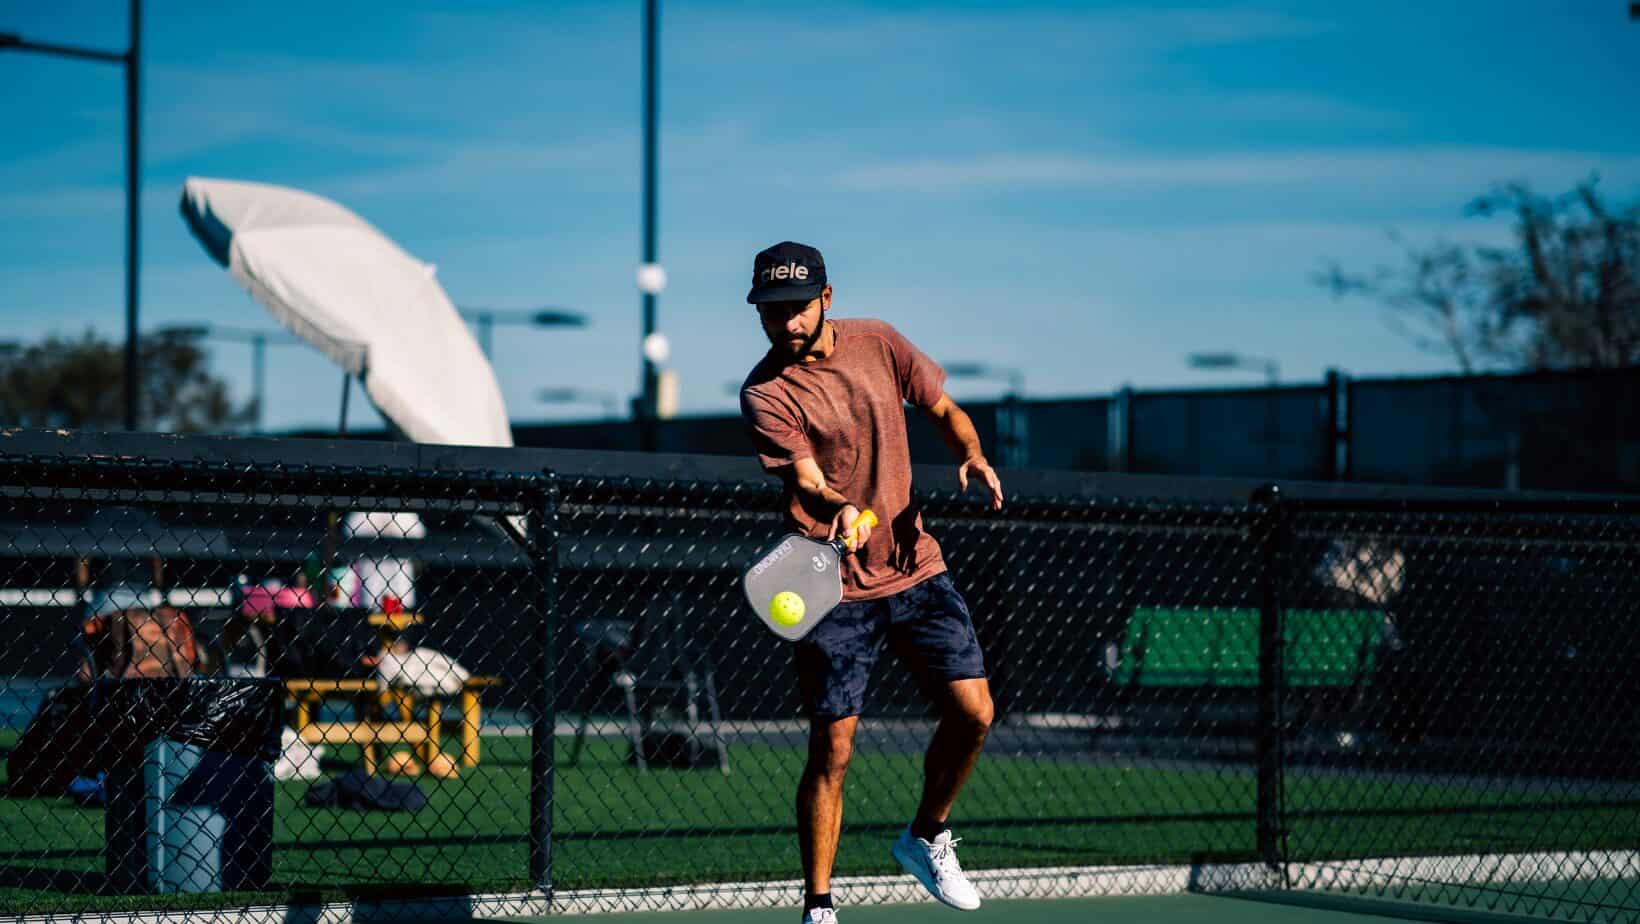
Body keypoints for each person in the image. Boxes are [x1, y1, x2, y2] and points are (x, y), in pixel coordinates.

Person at [738, 242, 1005, 923]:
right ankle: (820, 906)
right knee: (833, 745)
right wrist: (841, 509)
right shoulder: (765, 392)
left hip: (917, 568)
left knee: (975, 712)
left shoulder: (880, 343)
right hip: (833, 589)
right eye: (772, 314)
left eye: (797, 309)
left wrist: (971, 455)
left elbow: (944, 411)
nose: (786, 324)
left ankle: (926, 835)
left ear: (826, 298)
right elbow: (804, 479)